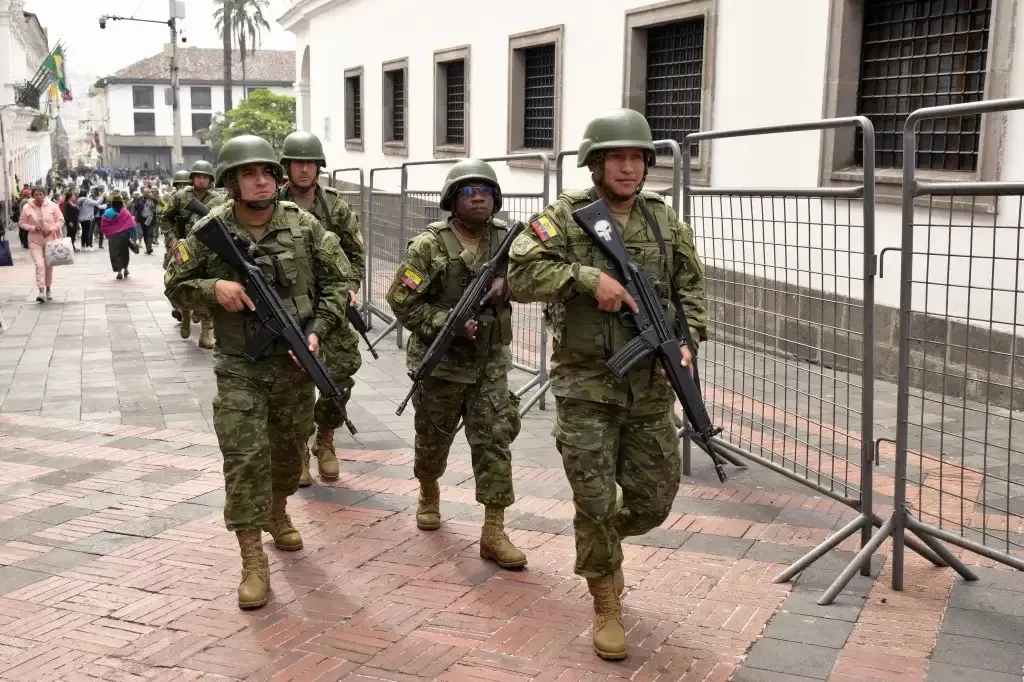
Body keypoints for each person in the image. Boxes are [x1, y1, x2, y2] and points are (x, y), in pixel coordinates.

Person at [507, 109, 709, 661]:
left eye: (637, 157)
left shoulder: (666, 223)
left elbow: (691, 291)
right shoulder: (565, 218)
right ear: (594, 163)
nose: (628, 167)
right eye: (616, 157)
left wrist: (686, 344)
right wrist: (584, 277)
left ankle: (605, 542)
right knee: (595, 500)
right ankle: (604, 599)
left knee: (653, 502)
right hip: (585, 388)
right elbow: (518, 275)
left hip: (649, 393)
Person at [164, 135, 351, 611]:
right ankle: (252, 558)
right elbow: (175, 284)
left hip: (292, 368)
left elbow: (338, 283)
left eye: (268, 172)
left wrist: (316, 332)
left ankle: (279, 510)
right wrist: (213, 288)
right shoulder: (209, 230)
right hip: (239, 367)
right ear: (230, 182)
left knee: (289, 454)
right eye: (249, 174)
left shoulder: (306, 227)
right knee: (245, 457)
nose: (262, 181)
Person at [385, 159, 526, 571]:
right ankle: (429, 490)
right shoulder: (429, 246)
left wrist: (509, 287)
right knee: (433, 439)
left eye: (485, 190)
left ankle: (494, 530)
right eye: (468, 191)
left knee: (494, 441)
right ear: (452, 200)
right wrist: (444, 323)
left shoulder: (508, 240)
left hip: (490, 365)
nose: (478, 196)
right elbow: (401, 300)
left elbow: (539, 278)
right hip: (442, 364)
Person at [277, 131, 364, 486]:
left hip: (331, 305)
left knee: (340, 373)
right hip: (290, 308)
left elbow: (355, 255)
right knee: (293, 381)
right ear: (286, 167)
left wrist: (352, 287)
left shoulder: (335, 206)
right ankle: (297, 449)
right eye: (297, 163)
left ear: (318, 168)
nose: (303, 169)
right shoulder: (272, 204)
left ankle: (325, 439)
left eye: (309, 163)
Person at [157, 160, 224, 348]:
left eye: (205, 177)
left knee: (205, 288)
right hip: (183, 249)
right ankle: (185, 314)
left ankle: (205, 332)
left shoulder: (217, 199)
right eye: (198, 176)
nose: (201, 180)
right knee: (182, 284)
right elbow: (164, 218)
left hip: (206, 249)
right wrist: (172, 240)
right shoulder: (180, 196)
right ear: (192, 178)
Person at [18, 186, 64, 303]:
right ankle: (41, 292)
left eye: (40, 194)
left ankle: (48, 289)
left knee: (48, 265)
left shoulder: (52, 205)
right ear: (32, 196)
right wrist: (33, 228)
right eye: (36, 195)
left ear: (44, 195)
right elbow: (22, 222)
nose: (38, 197)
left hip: (50, 239)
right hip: (35, 240)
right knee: (39, 265)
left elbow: (60, 219)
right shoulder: (27, 207)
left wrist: (52, 228)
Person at [100, 191, 138, 280]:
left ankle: (119, 271)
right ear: (122, 202)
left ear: (112, 203)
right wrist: (134, 234)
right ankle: (126, 269)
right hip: (124, 236)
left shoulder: (108, 212)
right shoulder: (125, 212)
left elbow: (103, 224)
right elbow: (131, 225)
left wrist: (106, 233)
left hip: (113, 237)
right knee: (124, 253)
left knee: (115, 254)